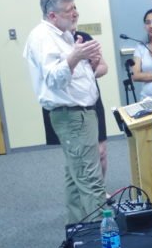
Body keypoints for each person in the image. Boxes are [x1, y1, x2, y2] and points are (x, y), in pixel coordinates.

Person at [24, 0, 107, 224]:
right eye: (69, 10)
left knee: (76, 176)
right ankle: (104, 240)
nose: (75, 13)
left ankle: (78, 232)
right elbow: (54, 79)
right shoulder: (43, 38)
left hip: (82, 114)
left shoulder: (65, 34)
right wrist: (75, 56)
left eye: (75, 7)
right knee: (90, 180)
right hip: (71, 117)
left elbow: (77, 78)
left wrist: (89, 61)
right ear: (52, 15)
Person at [42, 25, 109, 180]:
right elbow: (52, 76)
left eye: (74, 11)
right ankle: (89, 194)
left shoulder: (84, 37)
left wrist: (92, 69)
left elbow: (104, 67)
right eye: (68, 11)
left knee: (101, 151)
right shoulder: (49, 40)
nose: (73, 15)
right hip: (67, 105)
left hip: (91, 100)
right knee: (78, 156)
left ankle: (99, 190)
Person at [132, 8, 152, 98]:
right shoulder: (140, 47)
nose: (151, 25)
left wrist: (147, 76)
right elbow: (135, 75)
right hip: (146, 97)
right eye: (148, 22)